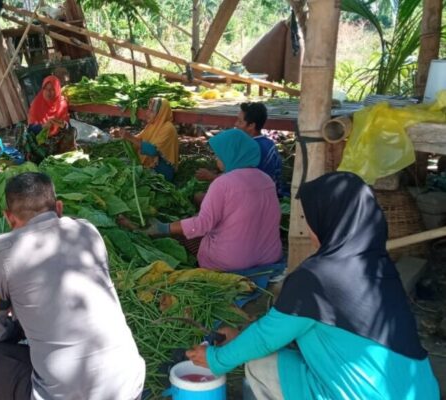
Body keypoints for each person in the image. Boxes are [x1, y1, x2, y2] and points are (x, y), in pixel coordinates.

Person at [186, 172, 440, 400]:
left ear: (327, 222)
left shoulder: (317, 277)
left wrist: (215, 359)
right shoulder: (378, 265)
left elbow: (264, 339)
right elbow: (309, 327)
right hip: (422, 390)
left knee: (259, 363)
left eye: (310, 219)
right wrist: (241, 336)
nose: (309, 230)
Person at [0, 172, 145, 400]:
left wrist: (17, 323)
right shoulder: (88, 231)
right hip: (129, 386)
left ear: (8, 217)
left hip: (63, 394)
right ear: (59, 207)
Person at [143, 129, 282, 271]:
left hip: (233, 262)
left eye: (219, 155)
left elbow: (202, 224)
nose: (216, 159)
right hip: (269, 256)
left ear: (230, 154)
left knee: (184, 236)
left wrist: (163, 228)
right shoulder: (266, 179)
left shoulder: (223, 183)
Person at [196, 102, 283, 196]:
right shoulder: (268, 143)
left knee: (200, 197)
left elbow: (240, 183)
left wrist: (211, 177)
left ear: (251, 126)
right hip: (273, 190)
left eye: (240, 122)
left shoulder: (251, 150)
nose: (235, 124)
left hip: (257, 195)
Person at [114, 97, 180, 182]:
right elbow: (138, 139)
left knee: (132, 177)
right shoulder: (153, 125)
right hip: (148, 166)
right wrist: (121, 135)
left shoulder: (168, 128)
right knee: (119, 163)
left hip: (160, 172)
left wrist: (130, 137)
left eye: (151, 111)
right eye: (148, 109)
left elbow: (153, 150)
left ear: (160, 113)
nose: (147, 113)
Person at [18, 76, 75, 163]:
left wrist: (64, 125)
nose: (48, 92)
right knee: (21, 129)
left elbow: (67, 126)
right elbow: (30, 128)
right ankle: (37, 158)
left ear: (57, 90)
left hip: (57, 139)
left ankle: (62, 156)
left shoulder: (62, 103)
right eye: (46, 89)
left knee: (72, 132)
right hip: (40, 140)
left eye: (52, 89)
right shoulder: (36, 104)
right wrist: (43, 127)